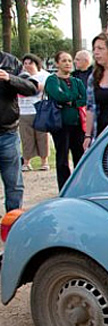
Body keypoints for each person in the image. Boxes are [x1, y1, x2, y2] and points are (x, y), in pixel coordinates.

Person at [0, 51, 37, 211]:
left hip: (7, 133)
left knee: (14, 183)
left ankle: (13, 220)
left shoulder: (10, 62)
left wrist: (9, 78)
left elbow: (31, 87)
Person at [44, 51, 87, 190]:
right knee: (62, 157)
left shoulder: (76, 81)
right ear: (57, 63)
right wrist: (73, 97)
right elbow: (58, 95)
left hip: (77, 124)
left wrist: (71, 102)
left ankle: (80, 186)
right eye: (64, 61)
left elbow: (84, 98)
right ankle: (64, 187)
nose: (68, 63)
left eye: (69, 60)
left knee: (79, 155)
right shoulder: (52, 80)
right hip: (60, 124)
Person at [17, 53, 50, 171]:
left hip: (39, 110)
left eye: (30, 63)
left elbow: (48, 88)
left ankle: (44, 161)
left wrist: (39, 86)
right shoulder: (19, 77)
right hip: (24, 111)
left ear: (36, 64)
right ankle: (26, 162)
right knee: (26, 138)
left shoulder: (44, 76)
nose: (27, 65)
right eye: (25, 63)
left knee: (42, 137)